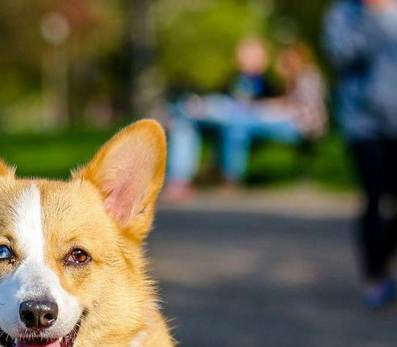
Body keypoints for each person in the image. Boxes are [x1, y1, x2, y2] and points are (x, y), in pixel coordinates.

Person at [166, 37, 327, 199]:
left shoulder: (300, 77)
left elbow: (299, 110)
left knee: (236, 123)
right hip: (234, 118)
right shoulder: (235, 78)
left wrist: (265, 107)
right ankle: (182, 179)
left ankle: (226, 176)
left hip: (300, 126)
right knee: (187, 123)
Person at [324, 0, 397, 309]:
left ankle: (382, 264)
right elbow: (342, 54)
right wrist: (374, 17)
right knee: (374, 197)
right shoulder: (344, 13)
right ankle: (374, 276)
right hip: (363, 125)